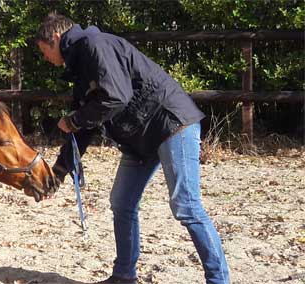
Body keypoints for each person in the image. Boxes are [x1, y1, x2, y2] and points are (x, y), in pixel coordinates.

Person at [34, 13, 230, 284]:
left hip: (171, 124)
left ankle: (219, 280)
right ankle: (124, 276)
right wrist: (58, 171)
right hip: (140, 139)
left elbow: (114, 98)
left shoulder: (94, 45)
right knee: (122, 203)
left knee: (186, 205)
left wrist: (74, 119)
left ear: (55, 38)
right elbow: (89, 123)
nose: (45, 58)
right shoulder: (81, 66)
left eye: (43, 51)